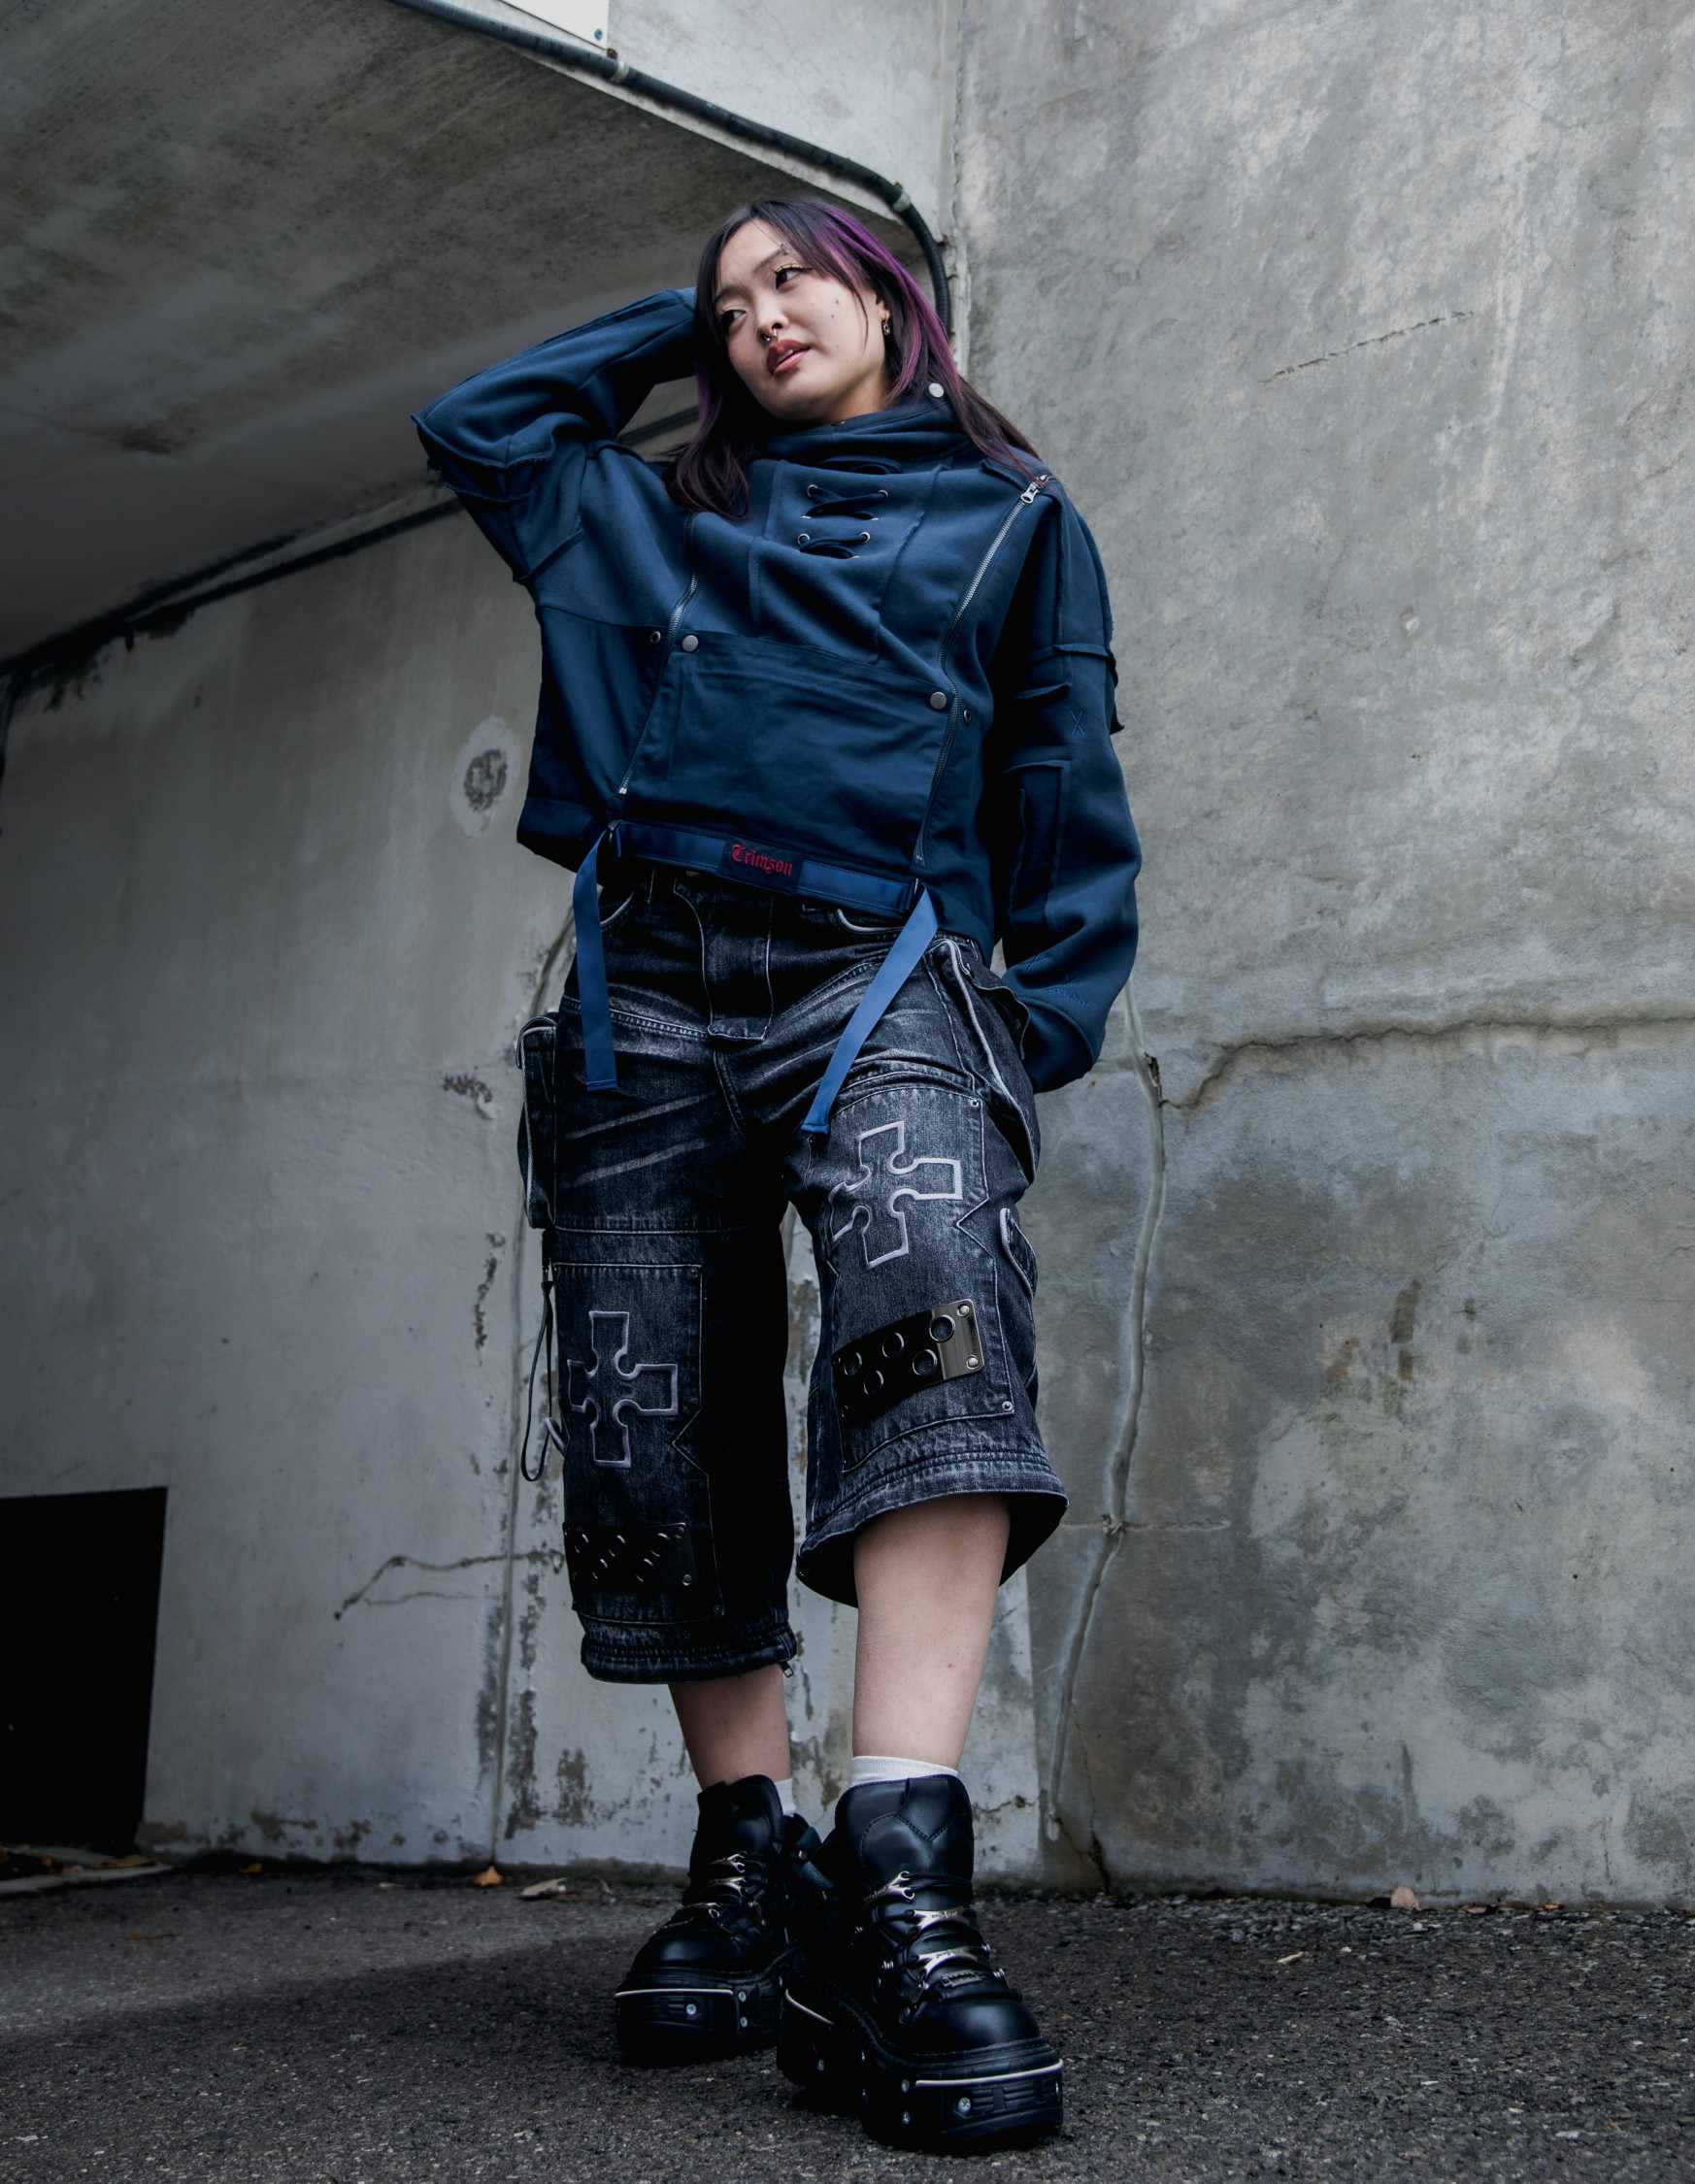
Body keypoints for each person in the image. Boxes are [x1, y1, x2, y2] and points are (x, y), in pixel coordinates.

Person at [410, 195, 1142, 2154]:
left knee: (938, 1309)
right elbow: (480, 426)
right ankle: (750, 1852)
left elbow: (1063, 782)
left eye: (797, 275)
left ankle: (897, 1877)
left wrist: (1025, 1031)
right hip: (640, 989)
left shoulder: (1012, 518)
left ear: (897, 296)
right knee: (653, 1420)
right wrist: (683, 324)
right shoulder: (641, 515)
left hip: (882, 965)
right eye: (731, 303)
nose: (760, 316)